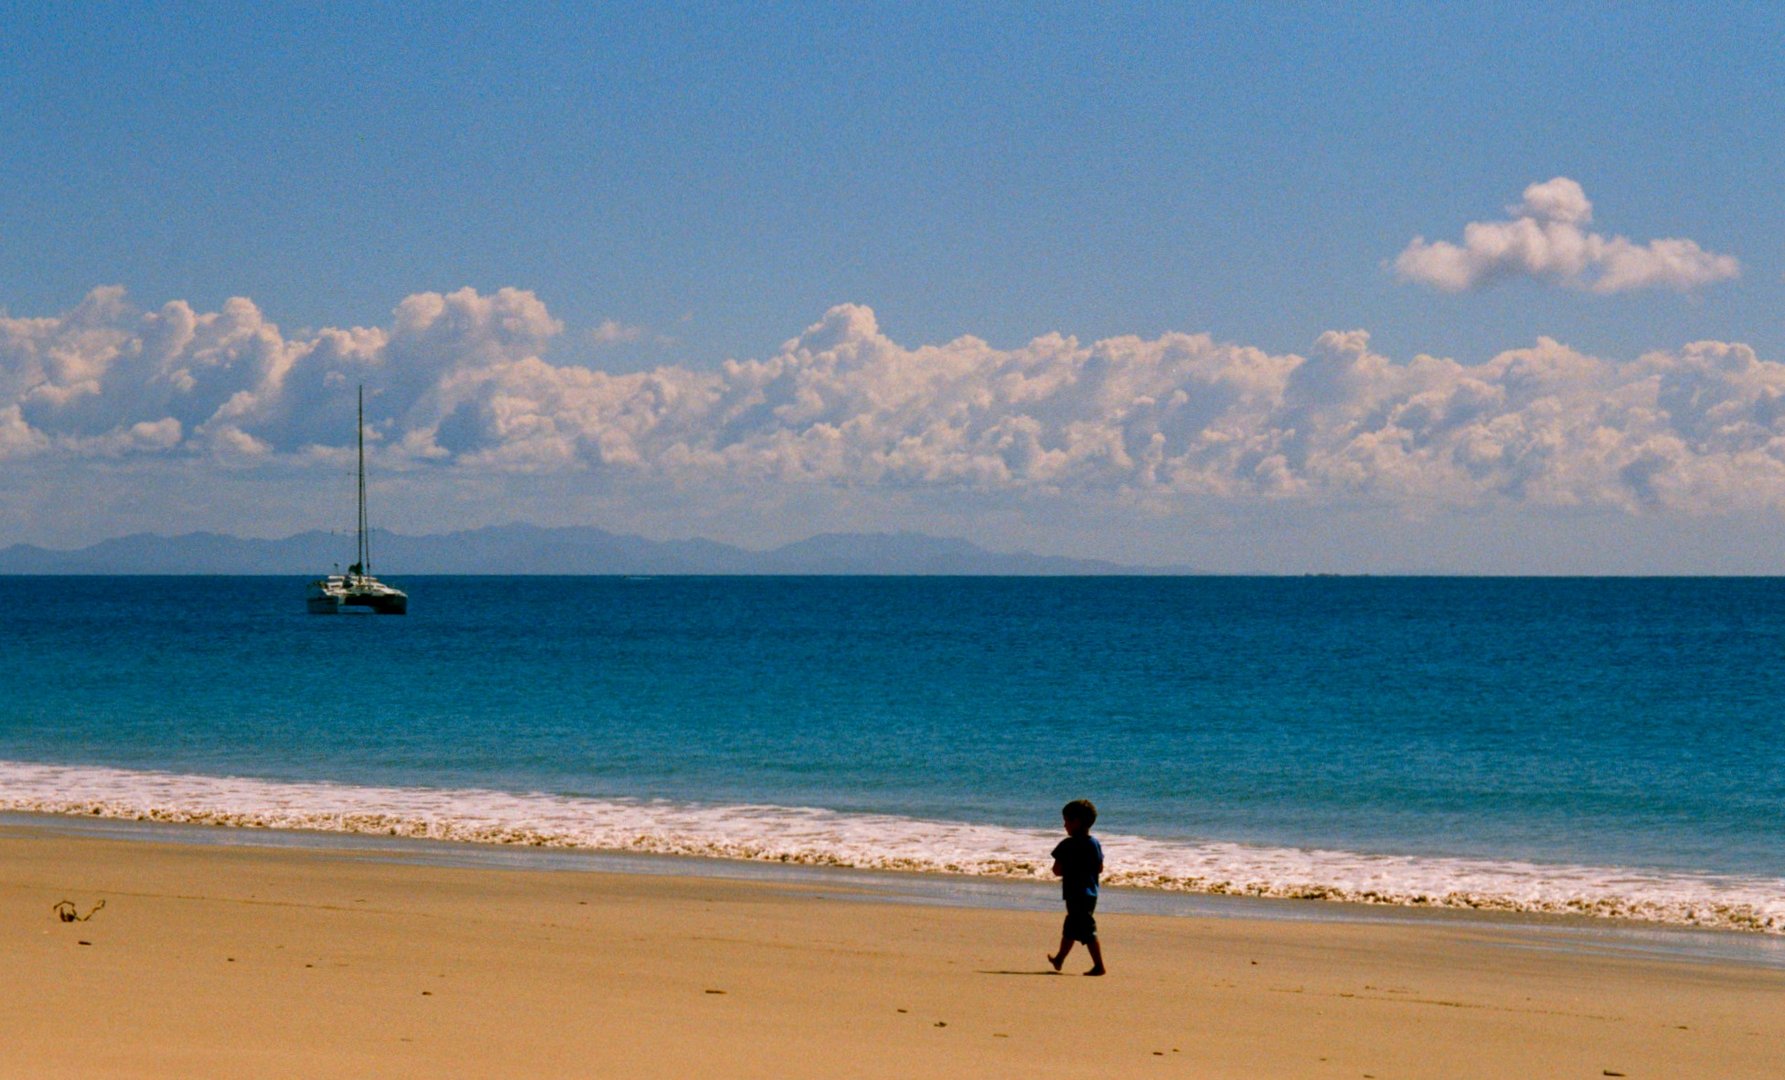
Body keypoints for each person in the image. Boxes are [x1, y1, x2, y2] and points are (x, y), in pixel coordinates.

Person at [1047, 798, 1106, 976]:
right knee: (1072, 927)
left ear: (1076, 822)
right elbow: (1100, 868)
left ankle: (1099, 966)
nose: (1065, 825)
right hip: (1090, 893)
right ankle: (1059, 959)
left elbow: (1057, 870)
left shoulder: (1067, 844)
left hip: (1075, 893)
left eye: (1066, 821)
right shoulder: (1094, 843)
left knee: (1087, 930)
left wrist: (1071, 870)